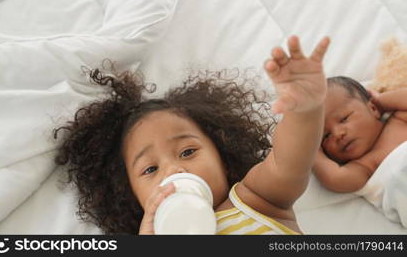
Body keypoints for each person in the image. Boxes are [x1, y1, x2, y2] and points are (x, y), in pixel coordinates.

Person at [54, 35, 330, 235]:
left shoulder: (254, 199)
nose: (174, 169)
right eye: (150, 169)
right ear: (130, 197)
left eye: (187, 151)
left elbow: (290, 161)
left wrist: (305, 111)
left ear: (222, 154)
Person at [313, 76, 407, 193]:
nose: (337, 134)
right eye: (325, 137)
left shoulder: (399, 120)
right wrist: (312, 152)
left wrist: (381, 102)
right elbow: (337, 179)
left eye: (344, 119)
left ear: (373, 108)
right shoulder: (364, 166)